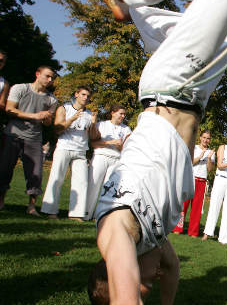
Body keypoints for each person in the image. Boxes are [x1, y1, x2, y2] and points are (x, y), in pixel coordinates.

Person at [93, 0, 227, 305]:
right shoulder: (153, 237)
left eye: (141, 286)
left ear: (119, 274)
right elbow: (173, 273)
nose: (154, 278)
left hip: (169, 88)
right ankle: (133, 9)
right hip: (191, 93)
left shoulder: (117, 228)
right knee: (226, 38)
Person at [0, 66, 57, 214]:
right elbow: (9, 109)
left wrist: (47, 118)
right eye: (47, 76)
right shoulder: (19, 88)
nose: (50, 80)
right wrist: (34, 116)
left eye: (52, 78)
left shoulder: (52, 99)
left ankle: (31, 207)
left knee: (36, 173)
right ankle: (1, 201)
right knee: (5, 169)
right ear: (37, 74)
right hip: (13, 135)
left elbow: (47, 124)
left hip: (34, 139)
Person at [41, 86, 99, 220]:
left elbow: (93, 137)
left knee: (81, 182)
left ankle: (76, 214)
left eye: (88, 96)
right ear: (76, 94)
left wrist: (94, 124)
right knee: (56, 178)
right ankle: (51, 211)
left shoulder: (90, 114)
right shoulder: (64, 108)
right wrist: (72, 119)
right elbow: (57, 129)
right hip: (64, 148)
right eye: (83, 94)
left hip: (81, 151)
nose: (86, 98)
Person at [84, 104, 132, 221]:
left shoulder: (126, 129)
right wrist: (111, 142)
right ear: (113, 113)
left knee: (108, 189)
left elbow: (126, 149)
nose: (123, 116)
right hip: (101, 156)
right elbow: (94, 144)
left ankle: (100, 215)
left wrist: (120, 146)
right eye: (121, 113)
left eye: (124, 114)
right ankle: (86, 214)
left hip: (116, 159)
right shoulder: (102, 125)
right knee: (93, 185)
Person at [172, 129, 214, 236]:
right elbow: (189, 162)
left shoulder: (211, 152)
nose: (205, 140)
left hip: (202, 181)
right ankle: (178, 228)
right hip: (190, 178)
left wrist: (209, 159)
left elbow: (210, 169)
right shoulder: (193, 147)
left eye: (208, 138)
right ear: (200, 137)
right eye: (204, 137)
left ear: (210, 140)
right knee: (183, 205)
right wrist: (199, 157)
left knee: (197, 207)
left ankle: (193, 231)